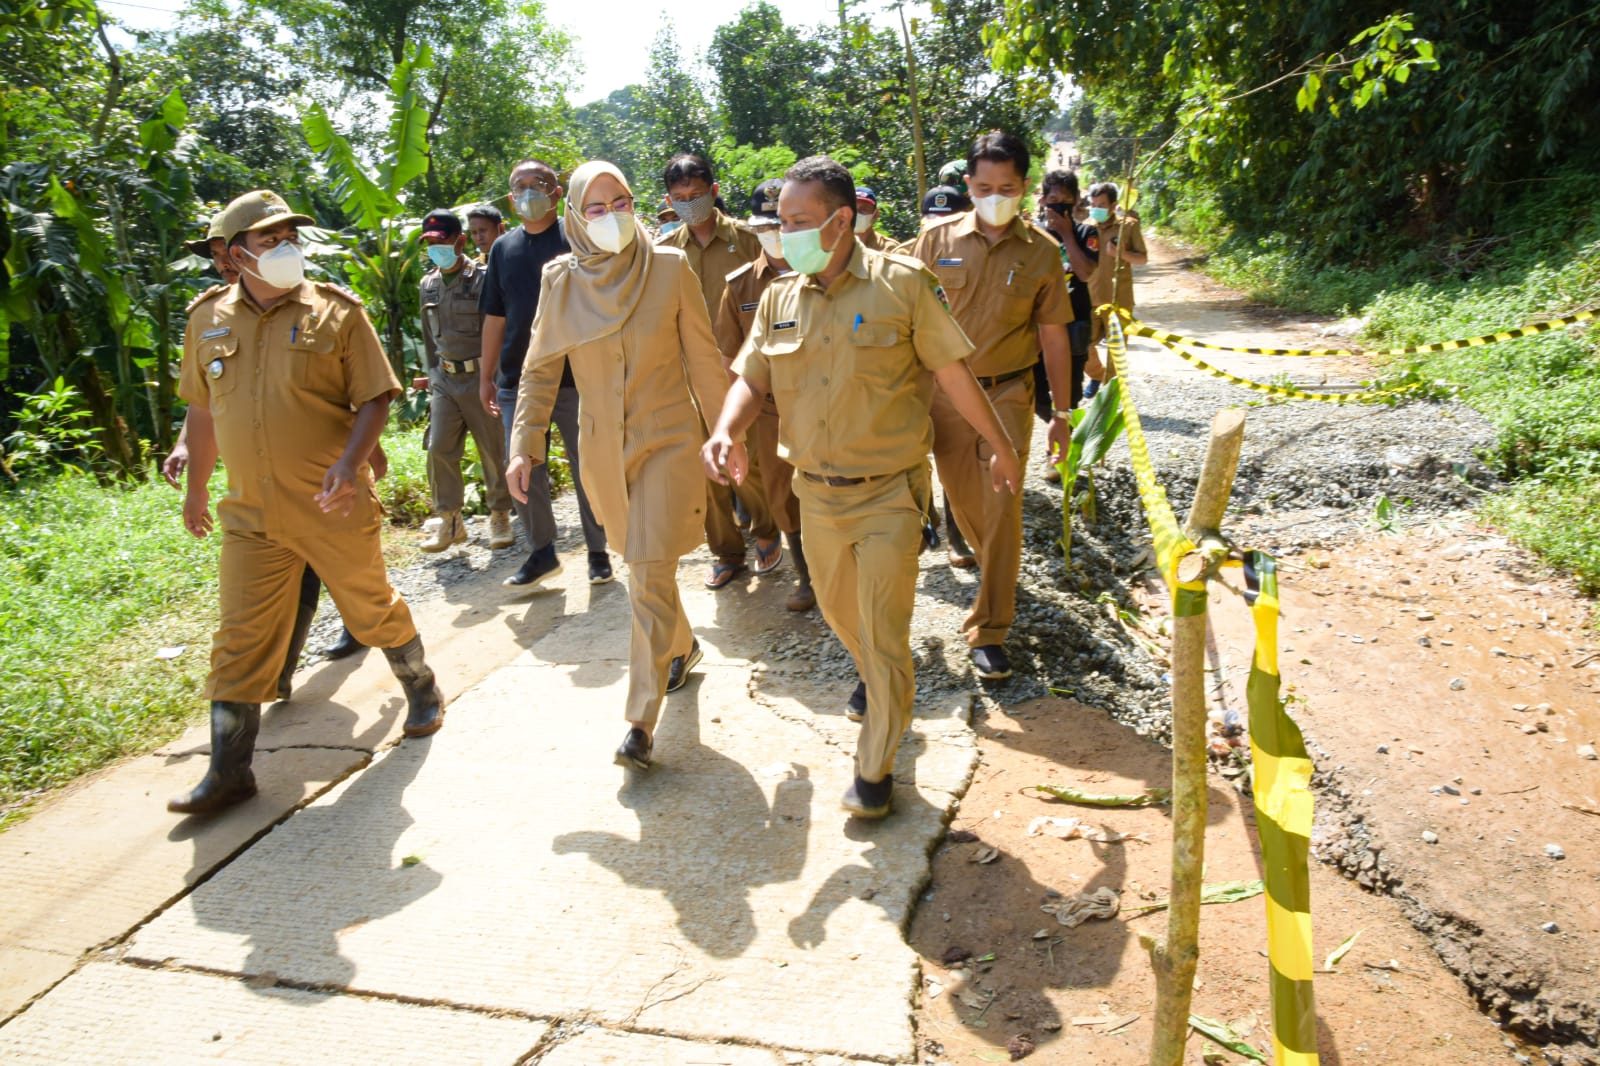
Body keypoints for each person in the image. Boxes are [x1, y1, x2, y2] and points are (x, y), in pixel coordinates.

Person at [702, 155, 1022, 820]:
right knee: (846, 621)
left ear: (842, 221)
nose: (784, 235)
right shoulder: (782, 298)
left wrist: (1000, 444)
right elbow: (751, 377)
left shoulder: (903, 284)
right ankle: (885, 693)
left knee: (880, 633)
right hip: (814, 495)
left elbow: (955, 374)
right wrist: (726, 430)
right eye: (780, 222)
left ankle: (875, 766)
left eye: (798, 222)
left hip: (889, 493)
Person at [172, 189, 445, 816]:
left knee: (371, 607)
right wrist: (195, 489)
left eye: (289, 237)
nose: (286, 248)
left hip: (332, 504)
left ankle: (421, 686)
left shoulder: (337, 313)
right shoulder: (207, 318)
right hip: (250, 515)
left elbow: (376, 395)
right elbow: (201, 409)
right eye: (270, 241)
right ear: (236, 256)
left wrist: (351, 464)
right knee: (238, 639)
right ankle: (230, 771)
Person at [507, 161, 739, 772]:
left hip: (668, 439)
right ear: (576, 218)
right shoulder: (560, 280)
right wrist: (523, 444)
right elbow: (538, 369)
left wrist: (726, 433)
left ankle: (640, 719)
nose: (613, 216)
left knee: (647, 565)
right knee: (645, 566)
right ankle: (681, 648)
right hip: (602, 450)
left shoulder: (668, 267)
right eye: (598, 207)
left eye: (623, 201)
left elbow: (705, 359)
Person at [908, 130, 1074, 682]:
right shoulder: (934, 242)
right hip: (942, 397)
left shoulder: (1044, 253)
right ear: (969, 186)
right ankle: (998, 574)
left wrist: (1064, 414)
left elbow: (1053, 336)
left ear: (1024, 187)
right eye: (983, 186)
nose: (995, 195)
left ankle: (990, 628)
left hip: (1007, 393)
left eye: (1006, 186)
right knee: (968, 506)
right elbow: (901, 314)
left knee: (1002, 505)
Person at [169, 211, 369, 670]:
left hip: (320, 468)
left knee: (340, 568)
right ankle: (279, 671)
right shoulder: (211, 316)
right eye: (216, 257)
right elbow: (215, 394)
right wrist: (186, 445)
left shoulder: (321, 305)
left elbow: (343, 391)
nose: (221, 264)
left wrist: (361, 455)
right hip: (258, 486)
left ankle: (363, 630)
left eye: (223, 253)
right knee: (284, 573)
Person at [479, 159, 610, 588]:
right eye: (520, 186)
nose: (529, 192)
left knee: (585, 462)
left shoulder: (577, 240)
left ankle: (598, 550)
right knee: (522, 466)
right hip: (519, 378)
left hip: (576, 375)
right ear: (510, 197)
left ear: (557, 194)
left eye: (539, 184)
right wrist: (487, 376)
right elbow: (495, 317)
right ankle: (542, 552)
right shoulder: (502, 249)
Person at [656, 152, 783, 590]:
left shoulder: (748, 240)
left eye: (696, 194)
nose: (689, 203)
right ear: (669, 202)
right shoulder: (667, 251)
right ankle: (726, 551)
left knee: (752, 461)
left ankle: (766, 530)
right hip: (692, 375)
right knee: (704, 464)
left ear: (714, 191)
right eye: (680, 197)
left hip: (746, 367)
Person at [713, 178, 813, 612]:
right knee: (780, 495)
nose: (773, 233)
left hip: (823, 403)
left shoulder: (821, 272)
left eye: (780, 224)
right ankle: (807, 578)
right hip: (771, 412)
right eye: (765, 226)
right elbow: (729, 359)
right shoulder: (738, 286)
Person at [414, 208, 514, 553]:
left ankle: (500, 514)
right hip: (445, 379)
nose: (434, 249)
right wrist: (431, 376)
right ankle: (450, 520)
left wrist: (498, 378)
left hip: (482, 377)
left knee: (492, 449)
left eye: (440, 242)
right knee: (439, 447)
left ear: (459, 241)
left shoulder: (484, 279)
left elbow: (498, 330)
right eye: (428, 243)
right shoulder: (427, 285)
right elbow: (430, 339)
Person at [1033, 169, 1100, 484]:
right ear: (1043, 200)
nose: (1059, 206)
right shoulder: (1030, 234)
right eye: (1054, 200)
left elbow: (1085, 273)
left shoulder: (1087, 233)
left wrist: (1067, 234)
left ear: (1075, 203)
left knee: (1069, 398)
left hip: (1073, 326)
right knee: (1036, 396)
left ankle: (1057, 455)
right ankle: (1063, 432)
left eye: (1066, 202)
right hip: (1033, 330)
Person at [1083, 180, 1147, 398]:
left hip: (1119, 300)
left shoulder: (1128, 227)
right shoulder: (1086, 227)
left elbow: (1142, 258)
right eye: (1093, 204)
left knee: (1116, 352)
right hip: (1089, 298)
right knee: (1082, 345)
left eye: (1102, 204)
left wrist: (1119, 253)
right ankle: (1096, 375)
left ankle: (1109, 397)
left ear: (1113, 205)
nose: (1097, 209)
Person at [853, 186, 889, 251]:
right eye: (853, 208)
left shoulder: (888, 248)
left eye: (864, 209)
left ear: (875, 215)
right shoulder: (834, 244)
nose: (857, 213)